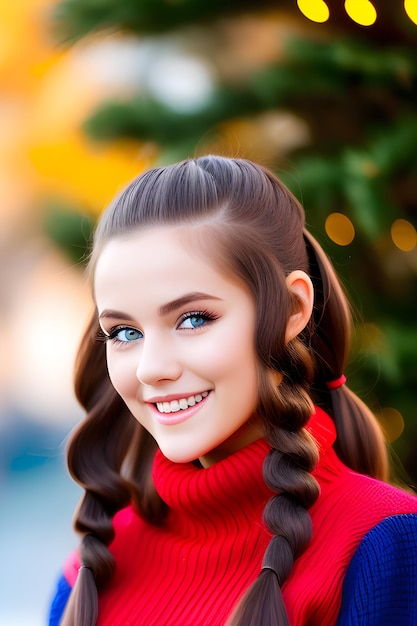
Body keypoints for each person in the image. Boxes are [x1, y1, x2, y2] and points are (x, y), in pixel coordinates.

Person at [49, 156, 417, 626]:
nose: (150, 369)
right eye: (124, 332)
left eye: (193, 319)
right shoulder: (88, 574)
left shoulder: (385, 546)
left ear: (291, 308)